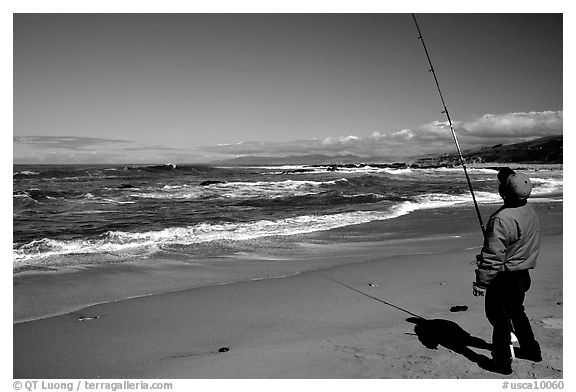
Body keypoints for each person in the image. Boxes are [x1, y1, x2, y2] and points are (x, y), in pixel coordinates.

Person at [472, 168, 542, 375]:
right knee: (517, 311)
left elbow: (493, 256)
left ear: (504, 193)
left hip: (503, 277)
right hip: (522, 275)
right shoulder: (528, 210)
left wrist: (481, 282)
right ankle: (532, 350)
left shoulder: (501, 219)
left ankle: (501, 362)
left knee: (499, 319)